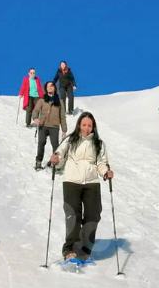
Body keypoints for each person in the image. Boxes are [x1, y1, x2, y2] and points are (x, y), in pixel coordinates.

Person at [50, 112, 114, 261]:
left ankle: (85, 250)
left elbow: (101, 163)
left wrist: (106, 172)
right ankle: (70, 250)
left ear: (93, 127)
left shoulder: (98, 143)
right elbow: (60, 157)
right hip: (71, 181)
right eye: (84, 124)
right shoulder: (70, 140)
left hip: (92, 182)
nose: (86, 128)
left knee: (93, 215)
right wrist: (56, 160)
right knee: (73, 215)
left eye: (89, 125)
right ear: (79, 125)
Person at [31, 81, 67, 171]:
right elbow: (35, 110)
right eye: (48, 86)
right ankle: (38, 162)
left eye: (52, 86)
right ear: (46, 89)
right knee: (41, 143)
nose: (50, 88)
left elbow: (62, 116)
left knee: (55, 146)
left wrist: (64, 129)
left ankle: (55, 163)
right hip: (43, 125)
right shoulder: (42, 100)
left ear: (55, 88)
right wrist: (35, 118)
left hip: (54, 126)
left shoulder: (60, 101)